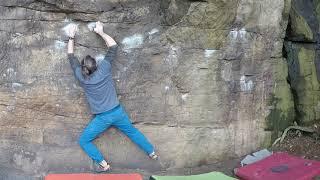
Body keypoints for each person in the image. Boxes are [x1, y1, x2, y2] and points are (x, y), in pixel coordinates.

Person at [66, 21, 158, 172]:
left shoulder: (81, 77)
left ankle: (103, 163)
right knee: (133, 132)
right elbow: (113, 47)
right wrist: (100, 32)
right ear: (96, 65)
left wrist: (71, 37)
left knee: (84, 141)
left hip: (102, 118)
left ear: (83, 68)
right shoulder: (103, 70)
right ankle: (151, 152)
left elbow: (71, 57)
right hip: (117, 112)